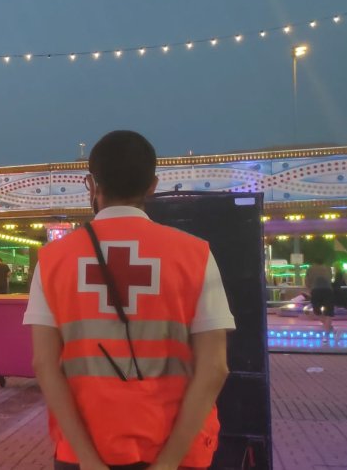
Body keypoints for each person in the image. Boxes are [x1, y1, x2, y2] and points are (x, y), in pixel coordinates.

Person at [23, 130, 234, 470]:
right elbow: (215, 367)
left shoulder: (52, 261)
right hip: (178, 456)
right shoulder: (195, 254)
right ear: (152, 185)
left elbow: (45, 366)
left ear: (90, 185)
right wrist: (167, 464)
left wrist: (88, 461)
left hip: (84, 456)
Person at [306, 257, 335, 341]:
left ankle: (327, 326)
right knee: (329, 311)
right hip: (328, 290)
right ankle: (327, 329)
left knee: (316, 311)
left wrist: (309, 289)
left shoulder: (310, 268)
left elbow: (307, 280)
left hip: (315, 290)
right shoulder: (328, 268)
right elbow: (330, 278)